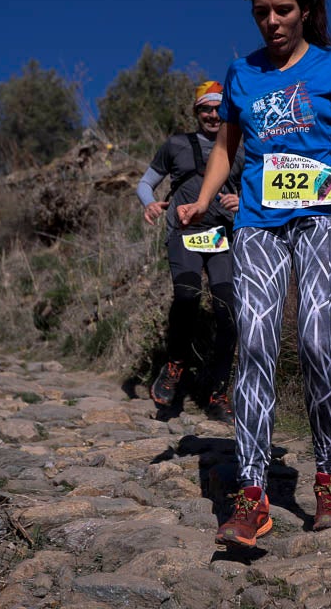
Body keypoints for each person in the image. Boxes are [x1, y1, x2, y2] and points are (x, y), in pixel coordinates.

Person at [177, 0, 331, 547]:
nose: (271, 21)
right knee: (257, 341)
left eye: (283, 10)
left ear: (306, 12)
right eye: (262, 12)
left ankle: (330, 480)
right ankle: (251, 496)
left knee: (317, 339)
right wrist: (204, 199)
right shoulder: (241, 74)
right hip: (260, 226)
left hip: (322, 220)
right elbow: (225, 149)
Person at [137, 81, 244, 423]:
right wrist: (149, 204)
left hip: (222, 238)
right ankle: (175, 364)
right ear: (196, 112)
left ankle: (216, 393)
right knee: (187, 296)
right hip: (184, 233)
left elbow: (258, 187)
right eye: (205, 109)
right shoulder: (176, 145)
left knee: (229, 312)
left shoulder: (241, 145)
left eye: (218, 108)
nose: (213, 115)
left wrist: (242, 202)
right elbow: (144, 183)